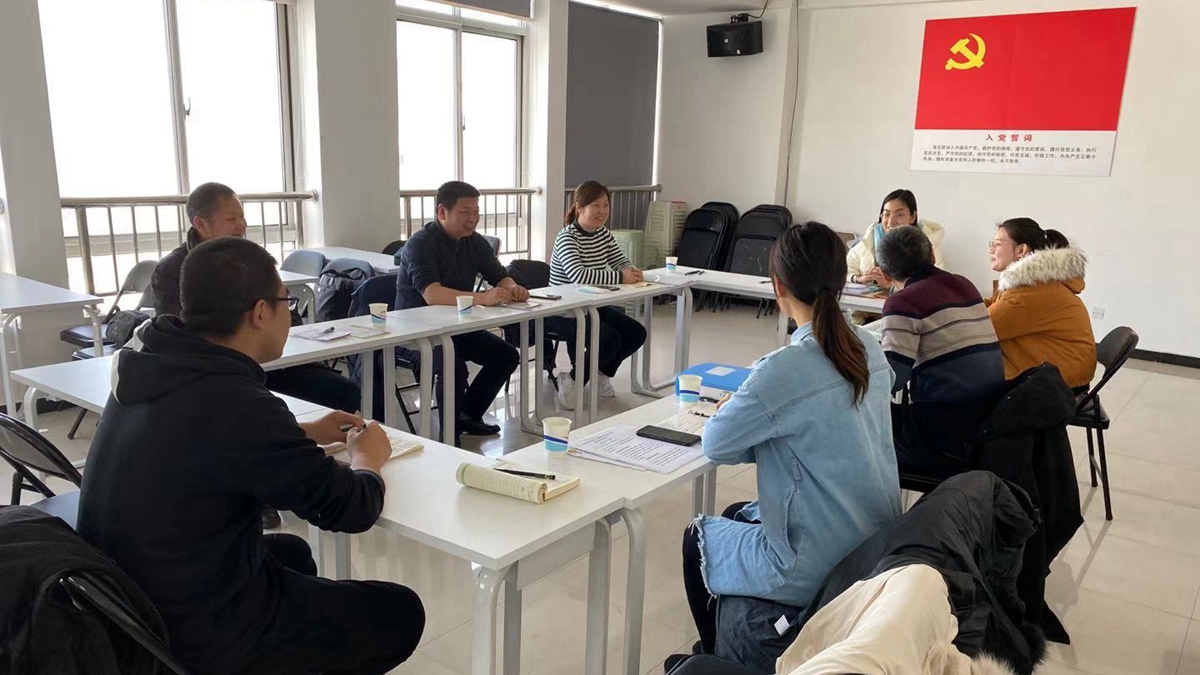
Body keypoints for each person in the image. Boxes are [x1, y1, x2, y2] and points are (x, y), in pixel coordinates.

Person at [78, 238, 424, 675]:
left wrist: (301, 433)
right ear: (260, 312)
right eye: (286, 303)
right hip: (190, 629)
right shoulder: (235, 401)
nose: (290, 315)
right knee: (399, 612)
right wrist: (366, 458)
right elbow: (350, 508)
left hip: (124, 600)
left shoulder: (149, 359)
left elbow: (200, 435)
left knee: (292, 552)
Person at [680, 222, 901, 655]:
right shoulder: (868, 346)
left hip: (817, 562)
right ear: (842, 282)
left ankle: (715, 656)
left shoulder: (783, 368)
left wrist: (743, 418)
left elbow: (716, 444)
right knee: (736, 513)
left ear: (778, 287)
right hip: (875, 542)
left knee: (695, 538)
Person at [150, 182, 361, 415]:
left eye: (242, 217)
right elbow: (178, 336)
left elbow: (287, 312)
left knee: (343, 391)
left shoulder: (250, 259)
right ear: (200, 224)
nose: (241, 225)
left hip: (271, 360)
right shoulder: (172, 270)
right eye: (231, 219)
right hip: (214, 371)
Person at [394, 181, 525, 437]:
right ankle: (449, 436)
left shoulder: (474, 242)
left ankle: (466, 415)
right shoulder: (420, 243)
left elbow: (499, 275)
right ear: (442, 212)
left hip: (456, 327)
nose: (473, 219)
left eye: (476, 212)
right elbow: (432, 294)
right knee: (452, 366)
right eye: (466, 212)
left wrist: (513, 287)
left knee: (506, 356)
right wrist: (482, 298)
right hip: (415, 333)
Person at [875, 226, 1004, 472]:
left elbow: (892, 379)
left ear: (884, 274)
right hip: (989, 424)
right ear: (932, 256)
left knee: (856, 419)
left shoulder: (902, 302)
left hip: (945, 438)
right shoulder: (964, 284)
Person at [546, 181, 648, 408]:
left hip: (592, 305)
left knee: (636, 333)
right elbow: (578, 275)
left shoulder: (603, 234)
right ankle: (571, 380)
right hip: (563, 310)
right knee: (609, 338)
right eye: (595, 205)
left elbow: (619, 260)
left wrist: (631, 270)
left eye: (606, 205)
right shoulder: (567, 237)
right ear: (579, 207)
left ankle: (601, 371)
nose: (602, 211)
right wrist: (621, 277)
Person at [987, 218, 1096, 390]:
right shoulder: (1037, 282)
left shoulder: (1031, 290)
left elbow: (980, 329)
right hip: (1063, 368)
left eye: (997, 244)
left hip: (1059, 382)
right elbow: (997, 305)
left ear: (1021, 250)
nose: (991, 249)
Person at [846, 189, 945, 286]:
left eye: (899, 215)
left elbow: (934, 285)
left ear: (913, 217)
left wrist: (892, 286)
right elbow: (844, 267)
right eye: (887, 214)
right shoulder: (871, 239)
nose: (891, 222)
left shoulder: (927, 245)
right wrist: (858, 278)